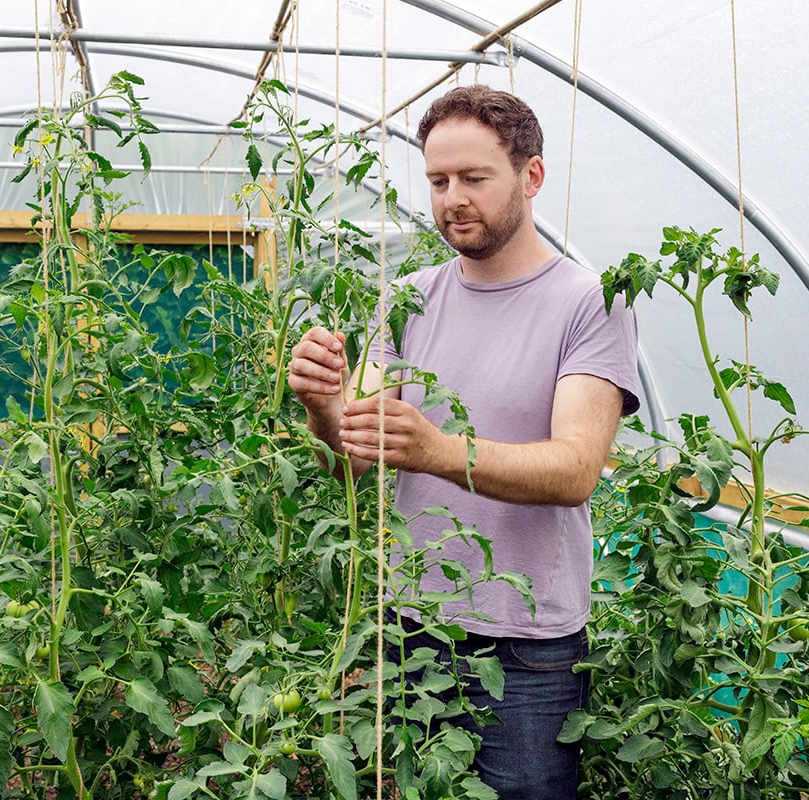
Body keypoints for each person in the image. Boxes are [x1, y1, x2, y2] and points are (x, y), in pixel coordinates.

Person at [287, 84, 640, 799]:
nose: (453, 199)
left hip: (526, 647)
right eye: (439, 181)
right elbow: (348, 461)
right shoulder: (409, 296)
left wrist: (438, 451)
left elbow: (575, 469)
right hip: (408, 626)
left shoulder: (590, 302)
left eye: (474, 178)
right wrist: (324, 407)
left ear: (531, 176)